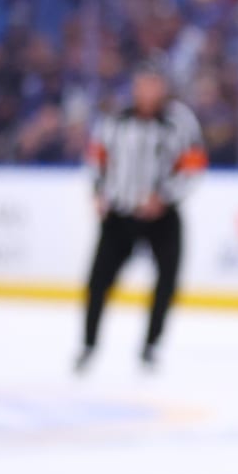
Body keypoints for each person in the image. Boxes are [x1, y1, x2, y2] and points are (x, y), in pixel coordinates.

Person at [77, 61, 207, 372]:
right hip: (120, 214)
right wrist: (98, 192)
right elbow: (97, 158)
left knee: (167, 281)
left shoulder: (179, 121)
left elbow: (193, 166)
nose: (148, 91)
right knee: (98, 281)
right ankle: (88, 344)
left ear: (163, 87)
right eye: (142, 84)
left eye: (153, 84)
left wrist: (164, 197)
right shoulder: (114, 120)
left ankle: (151, 345)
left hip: (162, 216)